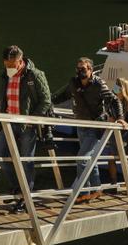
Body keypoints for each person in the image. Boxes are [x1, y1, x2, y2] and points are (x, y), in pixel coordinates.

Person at [52, 57, 123, 203]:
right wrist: (47, 102)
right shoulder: (73, 83)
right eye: (78, 69)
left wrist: (120, 117)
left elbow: (114, 100)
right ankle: (96, 189)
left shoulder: (98, 84)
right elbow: (61, 96)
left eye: (83, 69)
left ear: (90, 70)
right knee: (90, 160)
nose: (80, 72)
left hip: (95, 126)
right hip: (80, 125)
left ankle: (82, 192)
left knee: (82, 158)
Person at [0, 45, 52, 213]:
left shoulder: (34, 75)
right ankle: (17, 188)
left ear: (20, 61)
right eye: (6, 64)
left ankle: (26, 197)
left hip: (27, 125)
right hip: (7, 122)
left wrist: (31, 119)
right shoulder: (5, 75)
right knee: (2, 157)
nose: (9, 68)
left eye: (12, 65)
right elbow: (2, 99)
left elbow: (46, 100)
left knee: (26, 161)